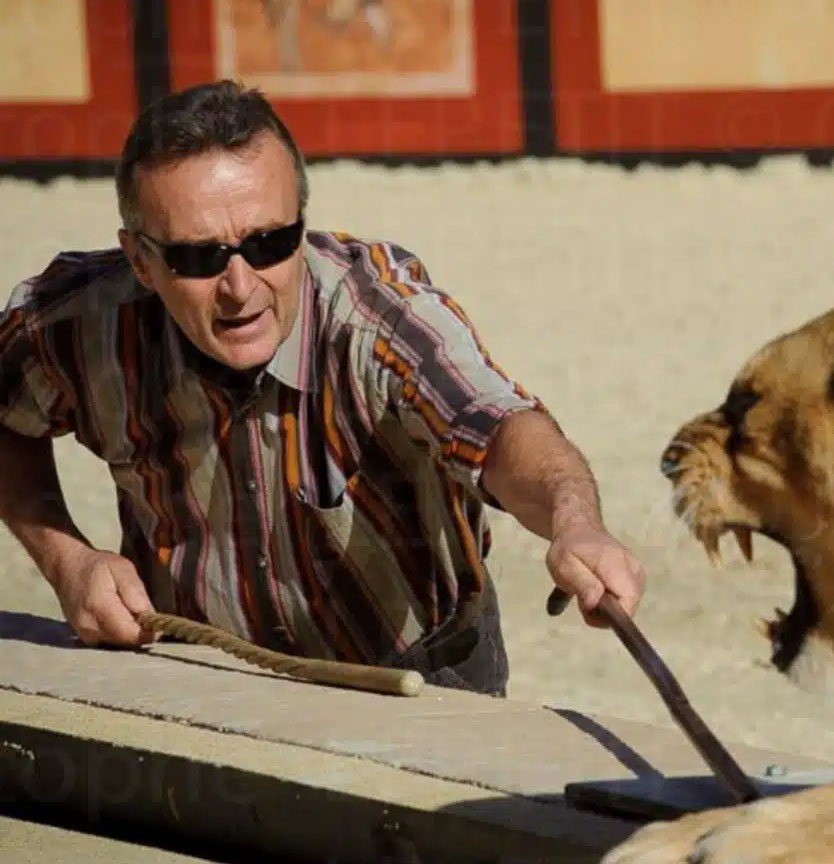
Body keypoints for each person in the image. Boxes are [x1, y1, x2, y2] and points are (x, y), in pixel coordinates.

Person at [0, 80, 645, 696]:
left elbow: (498, 428)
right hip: (202, 680)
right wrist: (66, 558)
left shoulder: (381, 316)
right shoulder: (76, 326)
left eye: (270, 243)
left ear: (301, 228)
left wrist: (575, 520)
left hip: (418, 681)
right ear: (140, 260)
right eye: (198, 257)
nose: (241, 285)